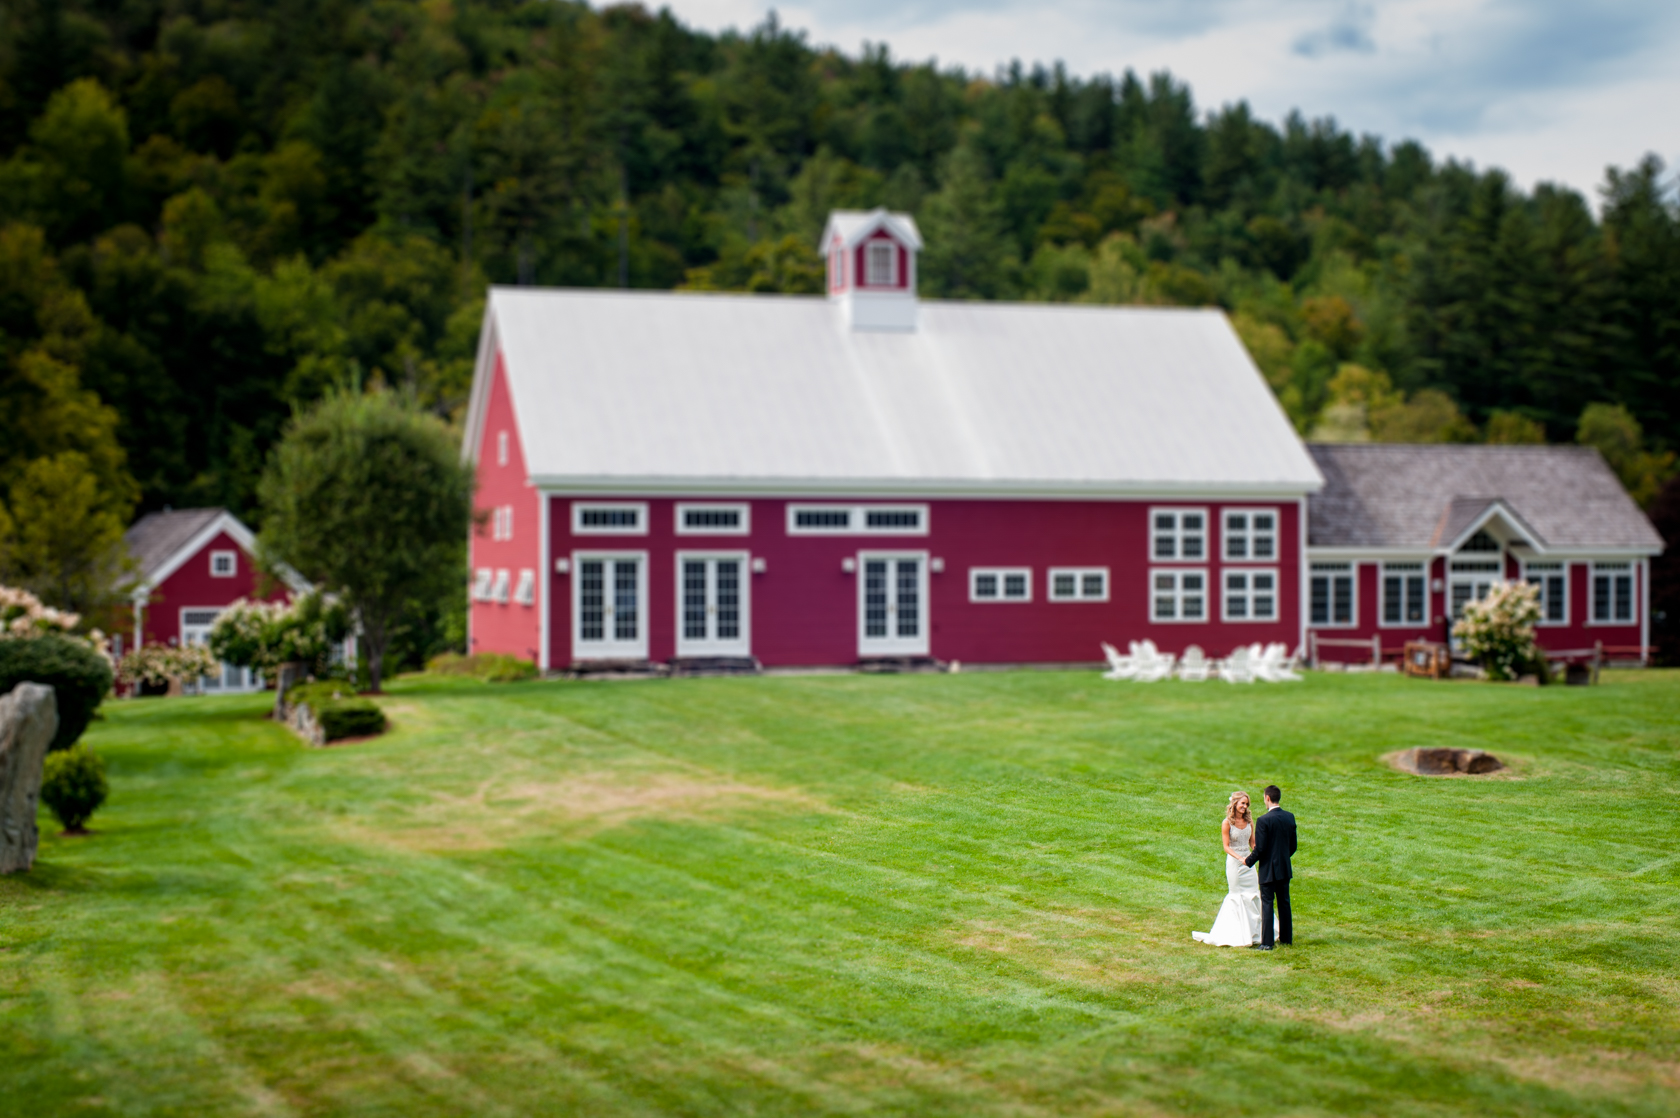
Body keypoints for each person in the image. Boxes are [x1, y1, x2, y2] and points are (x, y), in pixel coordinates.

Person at [1191, 791, 1271, 947]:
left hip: (1249, 863)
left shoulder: (1249, 821)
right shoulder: (1227, 822)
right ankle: (1237, 934)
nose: (1245, 807)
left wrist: (1257, 855)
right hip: (1235, 863)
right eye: (1242, 803)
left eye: (1247, 804)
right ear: (1235, 803)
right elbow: (1226, 847)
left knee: (1254, 892)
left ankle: (1256, 932)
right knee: (1237, 895)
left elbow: (1253, 843)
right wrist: (1240, 858)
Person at [1245, 784, 1297, 950]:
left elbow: (1260, 849)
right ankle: (1286, 938)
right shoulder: (1290, 817)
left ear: (1267, 798)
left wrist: (1248, 861)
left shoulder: (1263, 820)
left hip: (1268, 869)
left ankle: (1267, 942)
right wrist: (1282, 858)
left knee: (1267, 904)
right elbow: (1293, 846)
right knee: (1284, 903)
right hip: (1284, 868)